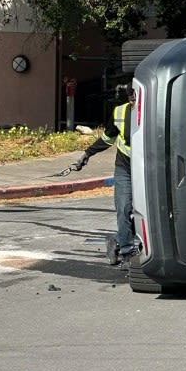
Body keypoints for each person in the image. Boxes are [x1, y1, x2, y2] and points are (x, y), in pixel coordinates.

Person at [72, 86, 137, 270]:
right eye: (131, 99)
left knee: (147, 213)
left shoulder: (154, 111)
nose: (134, 103)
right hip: (125, 168)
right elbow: (108, 138)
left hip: (147, 169)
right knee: (124, 208)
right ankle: (126, 253)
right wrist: (86, 154)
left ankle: (116, 240)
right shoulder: (120, 112)